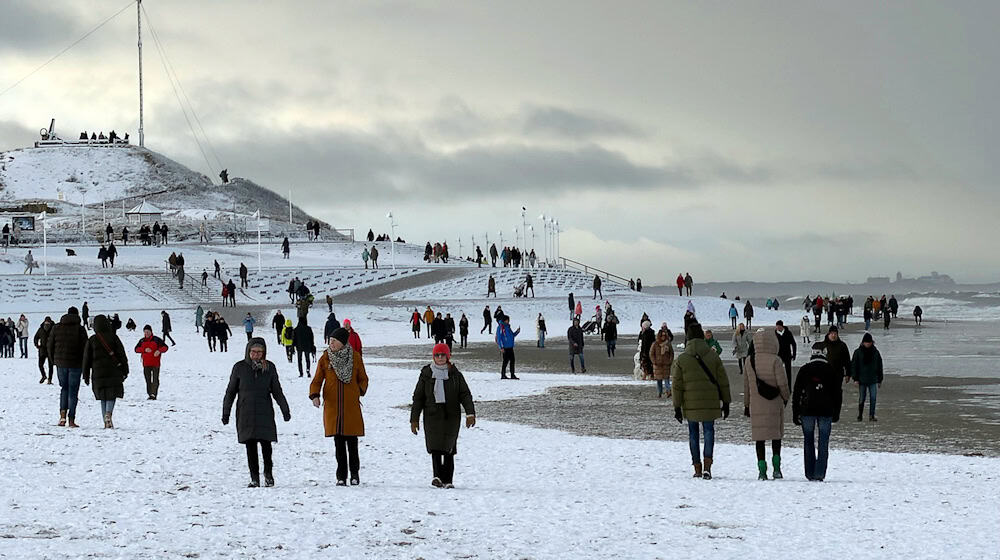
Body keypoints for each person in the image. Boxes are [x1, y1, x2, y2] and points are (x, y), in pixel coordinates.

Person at [223, 338, 291, 487]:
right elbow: (231, 391)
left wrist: (285, 409)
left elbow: (277, 391)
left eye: (260, 352)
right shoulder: (239, 367)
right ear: (248, 351)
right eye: (253, 351)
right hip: (245, 412)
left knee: (266, 446)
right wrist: (226, 412)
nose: (256, 355)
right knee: (250, 446)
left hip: (264, 411)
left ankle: (268, 474)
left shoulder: (269, 368)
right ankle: (254, 477)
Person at [410, 343, 476, 489]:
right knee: (435, 448)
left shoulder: (455, 375)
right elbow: (418, 397)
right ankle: (437, 477)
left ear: (448, 356)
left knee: (449, 449)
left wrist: (470, 413)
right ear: (433, 357)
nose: (440, 358)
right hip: (432, 416)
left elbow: (465, 394)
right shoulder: (426, 374)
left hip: (451, 416)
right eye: (437, 355)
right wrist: (414, 419)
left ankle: (448, 480)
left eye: (443, 355)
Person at [310, 328, 369, 486]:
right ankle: (341, 476)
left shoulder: (355, 357)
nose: (331, 343)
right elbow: (317, 379)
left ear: (343, 342)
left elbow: (363, 378)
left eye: (334, 340)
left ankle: (355, 474)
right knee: (338, 444)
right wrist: (315, 394)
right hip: (333, 407)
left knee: (352, 443)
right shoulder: (325, 358)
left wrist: (359, 391)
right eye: (330, 340)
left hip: (351, 407)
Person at [672, 322, 731, 480]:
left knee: (693, 434)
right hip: (710, 403)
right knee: (709, 431)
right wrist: (726, 402)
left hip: (690, 404)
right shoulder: (713, 356)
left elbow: (677, 386)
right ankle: (707, 466)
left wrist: (677, 407)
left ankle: (697, 467)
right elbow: (723, 381)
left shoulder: (682, 359)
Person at [745, 328, 791, 480]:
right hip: (774, 403)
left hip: (756, 404)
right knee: (775, 436)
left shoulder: (749, 360)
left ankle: (762, 470)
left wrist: (747, 405)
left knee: (760, 438)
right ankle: (777, 469)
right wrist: (785, 397)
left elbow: (747, 386)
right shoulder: (775, 360)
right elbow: (783, 384)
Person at [792, 342, 842, 481]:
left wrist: (795, 412)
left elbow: (796, 393)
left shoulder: (804, 369)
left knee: (808, 441)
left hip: (807, 409)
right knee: (823, 441)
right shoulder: (831, 370)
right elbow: (837, 394)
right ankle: (820, 473)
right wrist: (836, 412)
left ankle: (809, 472)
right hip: (826, 410)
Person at [82, 315, 129, 429]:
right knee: (111, 395)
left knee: (102, 396)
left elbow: (86, 359)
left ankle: (105, 420)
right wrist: (125, 370)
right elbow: (122, 355)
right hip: (113, 371)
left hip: (98, 373)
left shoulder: (92, 340)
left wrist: (86, 375)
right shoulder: (114, 337)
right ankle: (108, 414)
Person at [48, 307, 89, 427]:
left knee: (64, 389)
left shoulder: (56, 327)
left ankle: (62, 417)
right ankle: (71, 419)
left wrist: (53, 360)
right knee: (73, 391)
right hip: (76, 364)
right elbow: (85, 348)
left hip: (60, 364)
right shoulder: (80, 329)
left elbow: (50, 345)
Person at [851, 332, 884, 421]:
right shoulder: (858, 352)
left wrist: (880, 379)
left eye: (869, 342)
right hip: (861, 380)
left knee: (873, 398)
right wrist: (855, 379)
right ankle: (860, 415)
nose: (868, 344)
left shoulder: (875, 352)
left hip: (873, 379)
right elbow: (854, 366)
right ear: (863, 342)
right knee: (862, 398)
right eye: (866, 342)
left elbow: (879, 366)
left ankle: (871, 415)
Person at [135, 325, 168, 400]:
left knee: (155, 379)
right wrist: (144, 349)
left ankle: (153, 394)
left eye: (148, 332)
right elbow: (136, 349)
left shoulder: (156, 339)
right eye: (145, 332)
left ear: (151, 332)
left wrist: (159, 351)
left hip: (155, 363)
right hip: (146, 363)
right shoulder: (142, 341)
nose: (146, 333)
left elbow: (165, 347)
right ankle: (150, 393)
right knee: (148, 379)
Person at [650, 325, 674, 398]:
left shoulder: (668, 344)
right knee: (659, 380)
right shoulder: (655, 344)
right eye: (662, 336)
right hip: (658, 365)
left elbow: (671, 353)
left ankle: (668, 391)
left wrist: (670, 361)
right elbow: (651, 354)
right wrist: (654, 362)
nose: (663, 337)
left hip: (666, 364)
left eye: (664, 336)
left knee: (667, 379)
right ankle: (659, 393)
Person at [495, 315, 520, 380]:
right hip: (505, 347)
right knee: (505, 361)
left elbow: (512, 335)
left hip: (510, 346)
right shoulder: (500, 327)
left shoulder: (508, 327)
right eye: (507, 320)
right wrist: (501, 347)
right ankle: (503, 375)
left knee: (512, 360)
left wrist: (517, 332)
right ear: (505, 320)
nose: (508, 321)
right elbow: (499, 338)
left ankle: (512, 374)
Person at [773, 321, 797, 386]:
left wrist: (794, 354)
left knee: (788, 372)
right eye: (776, 326)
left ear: (782, 326)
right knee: (777, 372)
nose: (777, 328)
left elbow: (793, 344)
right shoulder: (774, 334)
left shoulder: (788, 333)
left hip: (787, 355)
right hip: (778, 356)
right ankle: (778, 386)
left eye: (778, 326)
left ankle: (789, 387)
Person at [34, 317, 55, 383]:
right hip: (42, 349)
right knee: (40, 365)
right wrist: (37, 345)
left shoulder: (53, 329)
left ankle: (50, 379)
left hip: (51, 349)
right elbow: (36, 337)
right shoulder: (41, 329)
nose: (47, 324)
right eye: (46, 322)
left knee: (50, 366)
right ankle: (44, 375)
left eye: (48, 322)